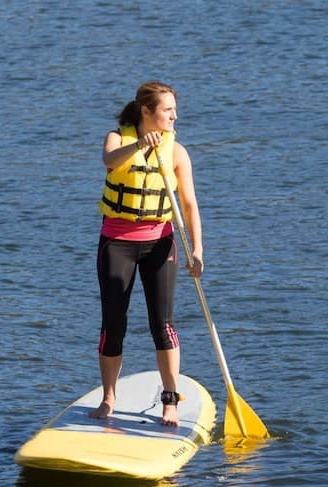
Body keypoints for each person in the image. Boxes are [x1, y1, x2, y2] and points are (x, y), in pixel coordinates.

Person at [90, 80, 204, 427]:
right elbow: (110, 162)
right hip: (117, 243)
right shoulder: (118, 138)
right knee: (114, 323)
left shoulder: (177, 151)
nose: (175, 116)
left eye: (174, 110)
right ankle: (109, 397)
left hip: (160, 243)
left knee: (163, 324)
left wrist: (197, 249)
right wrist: (140, 144)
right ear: (146, 111)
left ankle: (170, 400)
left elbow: (188, 203)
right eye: (168, 110)